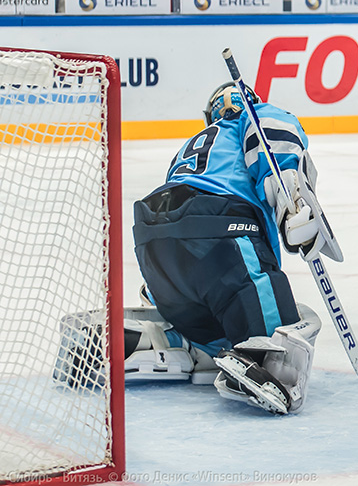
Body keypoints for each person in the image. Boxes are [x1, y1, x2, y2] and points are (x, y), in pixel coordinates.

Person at [132, 83, 332, 415]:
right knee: (279, 341)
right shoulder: (254, 116)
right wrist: (294, 202)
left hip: (154, 245)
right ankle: (259, 353)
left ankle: (168, 342)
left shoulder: (192, 147)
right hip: (219, 234)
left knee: (217, 333)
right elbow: (272, 141)